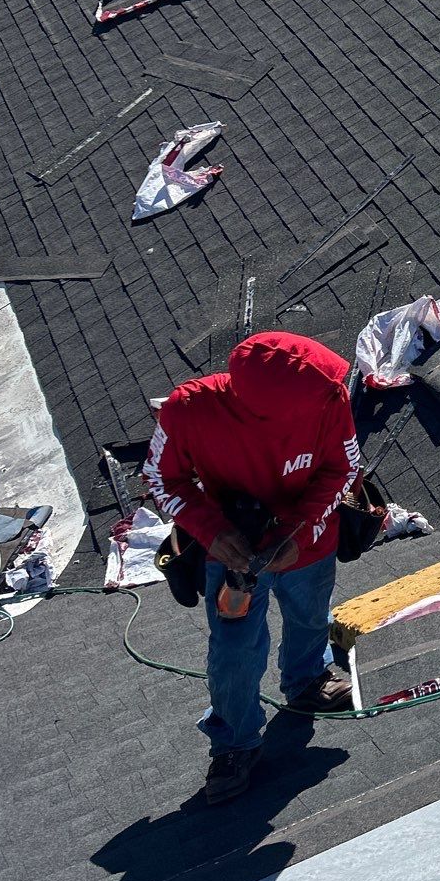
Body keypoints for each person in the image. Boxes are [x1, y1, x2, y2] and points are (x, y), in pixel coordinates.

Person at [146, 330, 363, 804]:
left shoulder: (327, 397)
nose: (337, 392)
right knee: (234, 651)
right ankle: (235, 742)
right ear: (269, 408)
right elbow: (162, 478)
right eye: (322, 391)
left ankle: (306, 680)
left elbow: (343, 469)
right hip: (233, 556)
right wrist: (212, 532)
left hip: (308, 545)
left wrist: (299, 530)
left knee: (309, 615)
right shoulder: (189, 409)